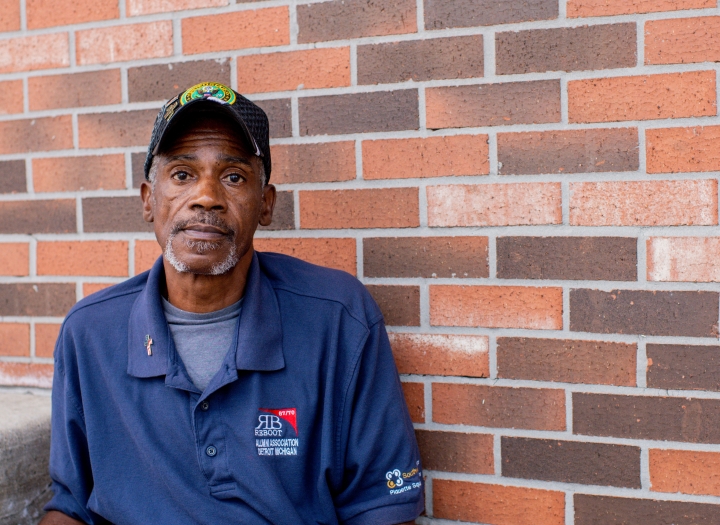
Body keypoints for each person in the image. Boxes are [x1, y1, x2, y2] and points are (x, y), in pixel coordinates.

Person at [40, 81, 424, 525]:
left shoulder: (338, 320)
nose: (206, 196)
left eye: (233, 177)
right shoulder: (90, 333)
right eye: (182, 174)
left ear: (265, 204)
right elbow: (70, 506)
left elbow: (383, 509)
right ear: (149, 200)